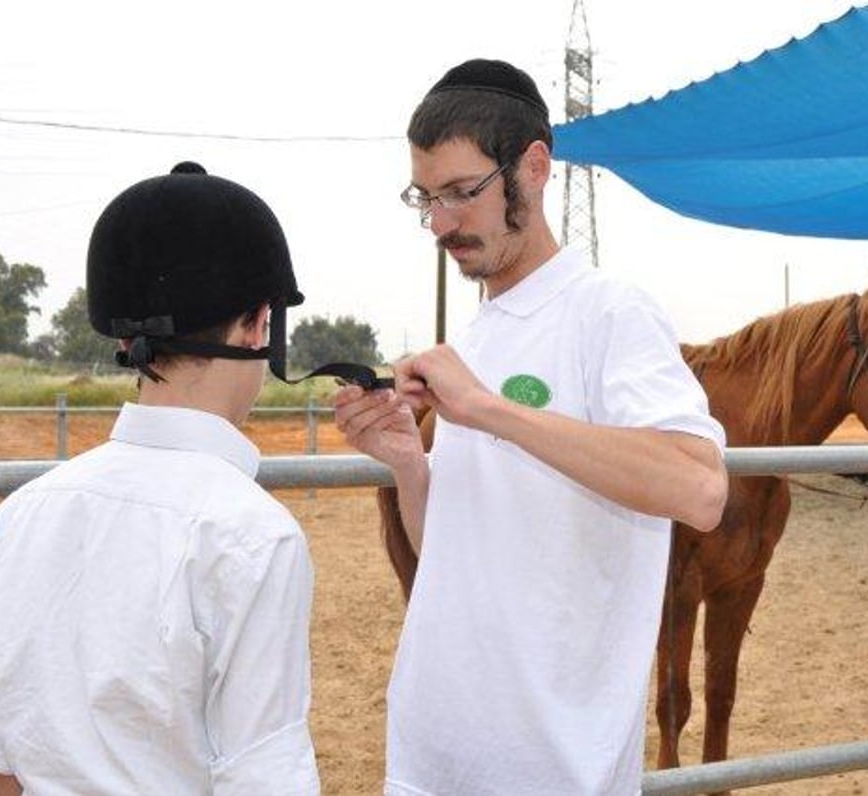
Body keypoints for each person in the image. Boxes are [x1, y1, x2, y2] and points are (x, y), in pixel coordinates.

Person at [334, 59, 729, 795]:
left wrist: (491, 410)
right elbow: (451, 548)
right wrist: (408, 466)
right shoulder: (480, 334)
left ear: (535, 167)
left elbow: (700, 486)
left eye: (462, 193)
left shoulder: (608, 312)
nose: (442, 223)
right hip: (433, 752)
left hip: (551, 766)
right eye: (426, 198)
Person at [0, 162, 321, 795]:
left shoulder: (24, 513)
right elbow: (263, 776)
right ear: (258, 323)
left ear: (126, 341)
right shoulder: (253, 535)